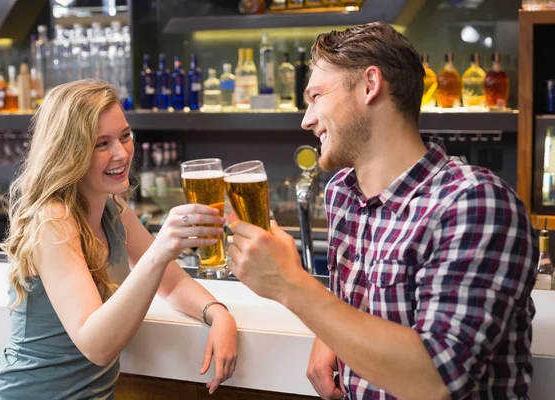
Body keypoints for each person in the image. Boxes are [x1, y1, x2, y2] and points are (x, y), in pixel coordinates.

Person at [227, 22, 537, 400]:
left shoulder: (474, 203)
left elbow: (436, 380)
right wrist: (332, 338)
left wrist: (290, 284)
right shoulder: (343, 192)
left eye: (317, 96)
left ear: (370, 85)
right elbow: (356, 309)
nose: (306, 120)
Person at [0, 80, 238, 399]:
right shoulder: (53, 221)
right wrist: (159, 252)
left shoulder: (112, 208)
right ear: (69, 152)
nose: (121, 153)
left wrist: (217, 313)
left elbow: (174, 285)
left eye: (125, 136)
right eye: (102, 144)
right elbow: (96, 346)